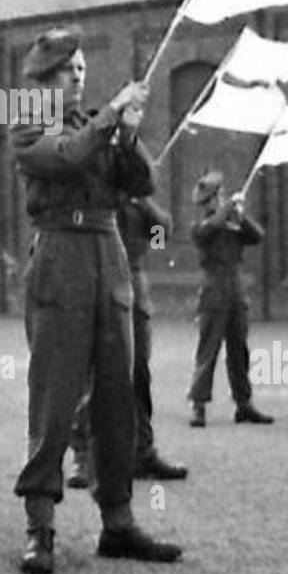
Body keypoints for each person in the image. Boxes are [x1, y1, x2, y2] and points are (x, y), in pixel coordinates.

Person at [11, 26, 182, 574]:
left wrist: (128, 135)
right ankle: (40, 526)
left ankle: (119, 522)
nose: (78, 75)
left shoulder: (100, 127)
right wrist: (111, 116)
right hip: (60, 254)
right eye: (67, 68)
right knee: (55, 396)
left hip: (109, 252)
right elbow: (62, 158)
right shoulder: (28, 124)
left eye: (82, 67)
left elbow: (142, 181)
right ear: (40, 78)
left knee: (117, 391)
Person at [67, 191, 187, 486]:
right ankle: (83, 457)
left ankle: (142, 453)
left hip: (132, 282)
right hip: (95, 280)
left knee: (139, 372)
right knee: (92, 371)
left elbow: (160, 239)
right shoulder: (92, 190)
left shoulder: (137, 203)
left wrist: (146, 205)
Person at [186, 170, 273, 427]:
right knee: (208, 349)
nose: (219, 200)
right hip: (213, 288)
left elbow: (257, 235)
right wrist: (226, 210)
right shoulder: (201, 226)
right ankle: (198, 404)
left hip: (235, 288)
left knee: (239, 349)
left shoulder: (232, 222)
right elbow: (207, 232)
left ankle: (243, 403)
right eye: (216, 197)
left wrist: (240, 216)